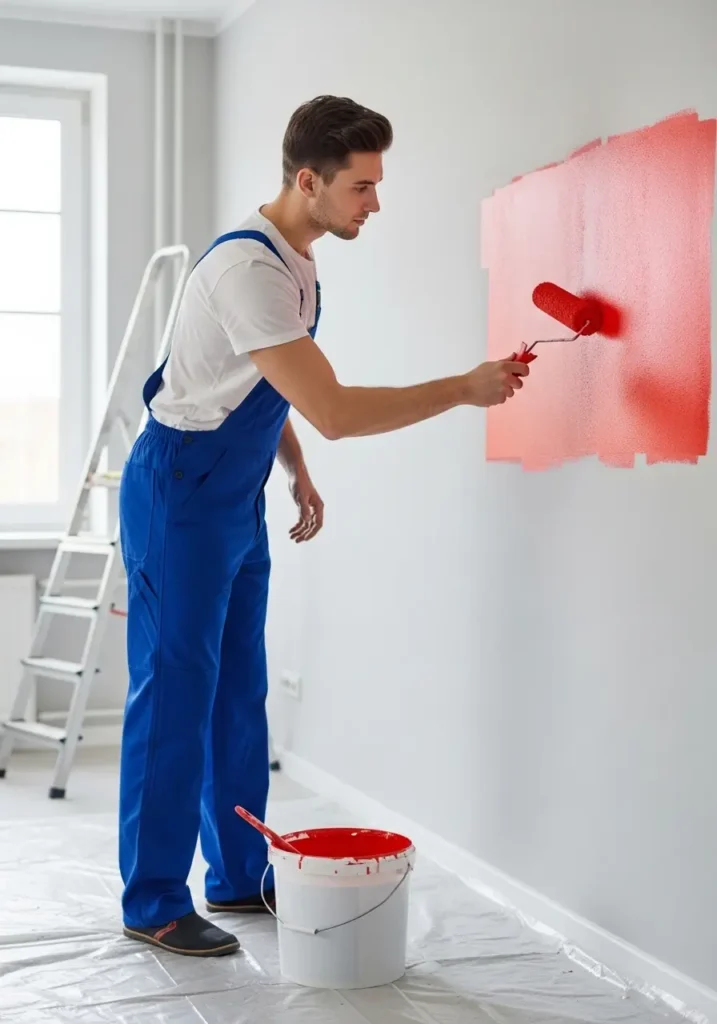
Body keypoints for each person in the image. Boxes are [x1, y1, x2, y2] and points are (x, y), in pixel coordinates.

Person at [118, 94, 529, 958]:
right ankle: (153, 898)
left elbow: (264, 380)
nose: (374, 203)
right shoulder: (250, 270)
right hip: (180, 492)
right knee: (175, 693)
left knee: (238, 691)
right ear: (309, 180)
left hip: (234, 489)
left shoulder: (296, 258)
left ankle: (235, 875)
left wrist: (289, 461)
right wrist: (462, 388)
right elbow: (335, 407)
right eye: (362, 186)